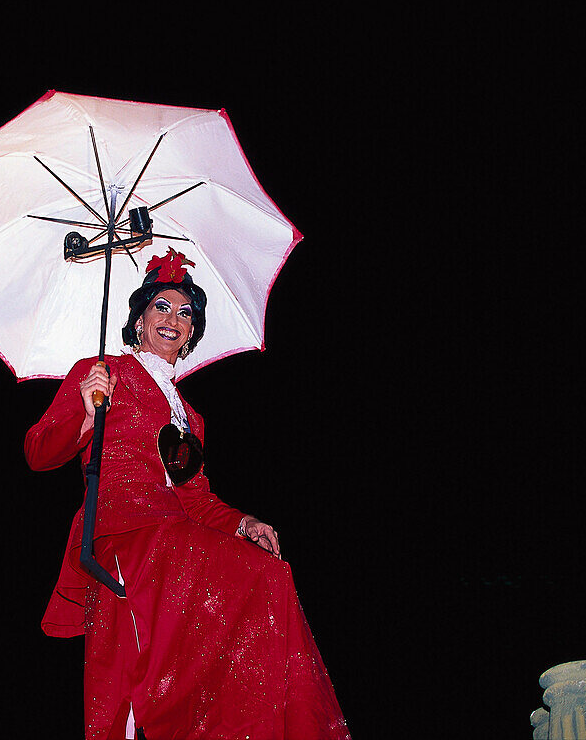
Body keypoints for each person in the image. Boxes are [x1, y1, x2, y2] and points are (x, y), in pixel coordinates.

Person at [25, 250, 349, 740]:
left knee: (269, 574)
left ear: (193, 334)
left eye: (185, 314)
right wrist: (86, 414)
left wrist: (244, 523)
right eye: (161, 307)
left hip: (173, 539)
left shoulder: (190, 418)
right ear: (138, 321)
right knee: (255, 578)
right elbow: (37, 452)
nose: (173, 320)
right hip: (125, 536)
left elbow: (194, 500)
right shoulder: (102, 374)